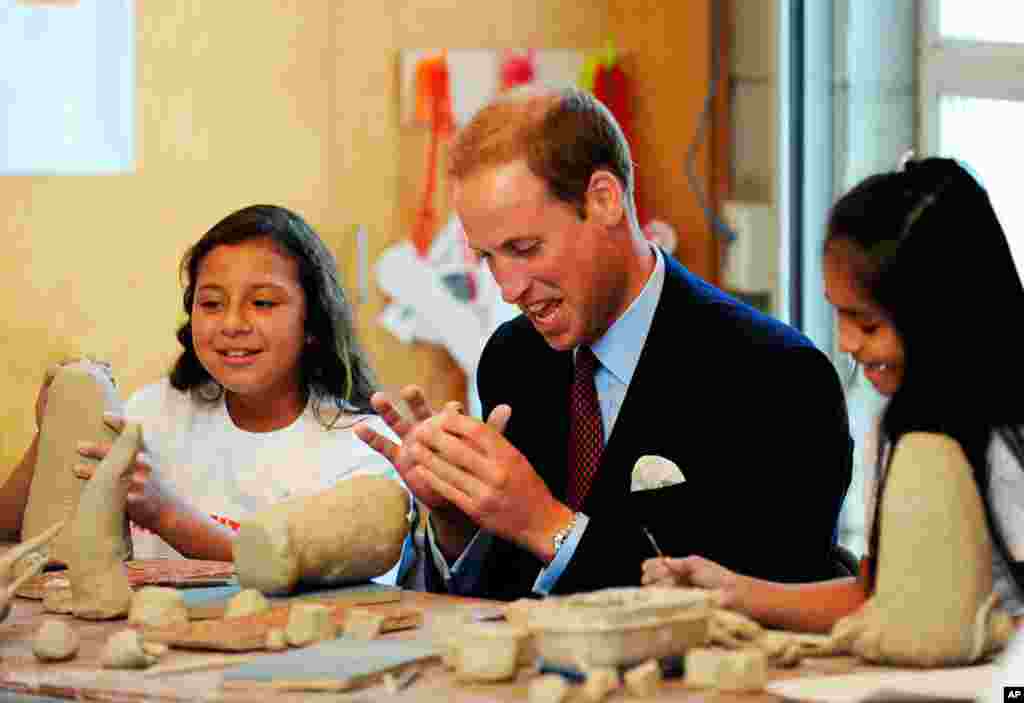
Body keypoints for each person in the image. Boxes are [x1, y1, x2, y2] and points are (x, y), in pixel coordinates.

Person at [356, 86, 853, 600]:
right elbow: (502, 595)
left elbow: (765, 604)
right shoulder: (513, 359)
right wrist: (459, 521)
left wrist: (547, 525)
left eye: (524, 248)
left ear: (604, 199)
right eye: (488, 258)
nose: (508, 289)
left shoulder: (777, 376)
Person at [642, 157, 1024, 630]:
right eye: (839, 316)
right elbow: (881, 597)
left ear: (943, 313)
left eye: (868, 323)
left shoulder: (1005, 438)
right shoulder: (902, 427)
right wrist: (731, 593)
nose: (847, 343)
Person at [1, 205, 415, 584]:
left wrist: (167, 516)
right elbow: (13, 530)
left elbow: (333, 585)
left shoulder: (361, 447)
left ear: (313, 321)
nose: (232, 324)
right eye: (212, 303)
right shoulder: (151, 412)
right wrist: (53, 431)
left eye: (264, 302)